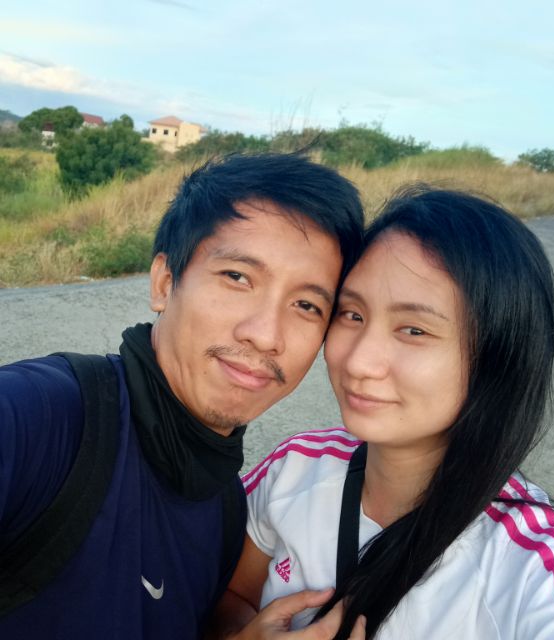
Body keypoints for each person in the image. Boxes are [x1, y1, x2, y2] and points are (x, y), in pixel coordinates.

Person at [216, 186, 554, 639]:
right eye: (352, 314)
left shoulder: (535, 570)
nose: (358, 361)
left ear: (498, 357)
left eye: (414, 330)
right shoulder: (296, 466)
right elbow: (229, 597)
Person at [0, 153, 366, 639]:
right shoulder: (39, 417)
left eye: (306, 304)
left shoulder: (226, 509)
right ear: (164, 281)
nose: (266, 335)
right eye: (237, 277)